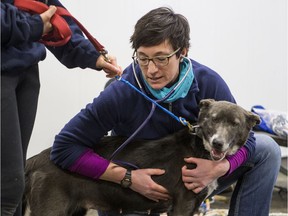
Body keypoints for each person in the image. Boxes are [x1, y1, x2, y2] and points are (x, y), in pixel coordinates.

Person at [50, 7, 281, 216]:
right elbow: (64, 148)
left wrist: (219, 168)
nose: (151, 70)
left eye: (161, 59)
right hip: (131, 188)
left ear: (183, 53)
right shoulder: (121, 92)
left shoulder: (208, 83)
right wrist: (127, 178)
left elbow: (247, 140)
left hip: (191, 182)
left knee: (267, 150)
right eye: (143, 58)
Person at [1, 1, 122, 215]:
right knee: (7, 188)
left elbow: (49, 10)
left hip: (25, 69)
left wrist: (93, 55)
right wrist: (33, 26)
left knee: (15, 185)